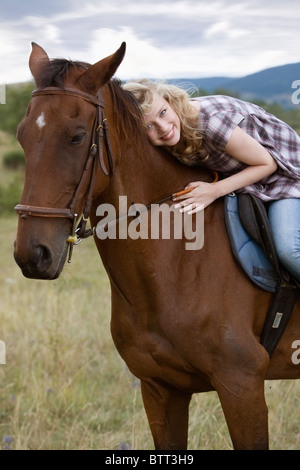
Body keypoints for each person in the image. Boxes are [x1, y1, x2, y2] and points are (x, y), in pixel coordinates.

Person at [122, 79, 300, 281]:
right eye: (148, 125)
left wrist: (214, 190)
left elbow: (267, 164)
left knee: (288, 248)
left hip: (286, 174)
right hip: (250, 174)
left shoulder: (211, 123)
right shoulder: (171, 134)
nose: (163, 128)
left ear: (169, 100)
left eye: (162, 113)